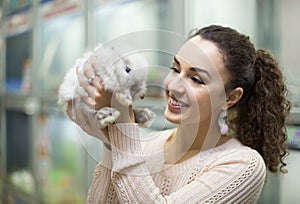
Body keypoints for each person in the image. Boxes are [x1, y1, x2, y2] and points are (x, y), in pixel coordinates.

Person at [66, 25, 290, 203]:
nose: (174, 86)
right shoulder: (143, 146)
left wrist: (123, 124)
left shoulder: (243, 166)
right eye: (175, 69)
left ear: (229, 98)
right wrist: (110, 134)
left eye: (196, 79)